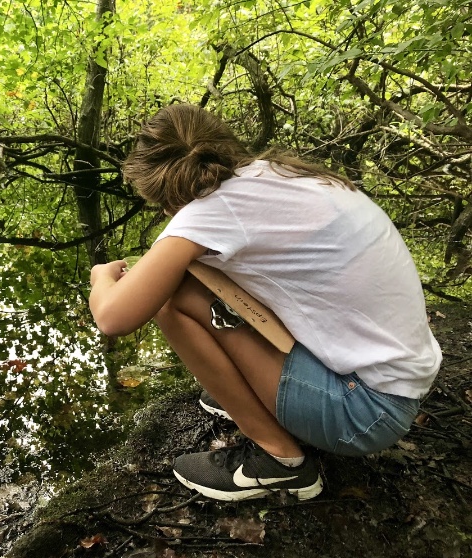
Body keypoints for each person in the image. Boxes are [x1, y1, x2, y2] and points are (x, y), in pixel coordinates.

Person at [89, 104, 442, 502]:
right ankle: (253, 393)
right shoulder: (279, 174)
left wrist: (101, 277)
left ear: (161, 192)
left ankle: (280, 461)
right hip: (399, 382)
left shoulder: (210, 212)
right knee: (203, 271)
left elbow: (113, 317)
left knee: (172, 296)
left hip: (363, 412)